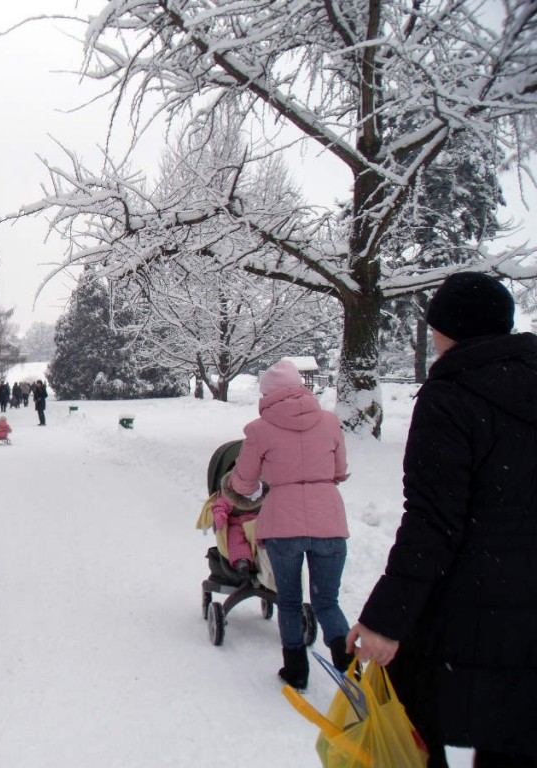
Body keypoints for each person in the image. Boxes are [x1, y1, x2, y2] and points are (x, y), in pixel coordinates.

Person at [348, 272, 537, 768]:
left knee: (412, 731)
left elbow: (433, 522)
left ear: (449, 329)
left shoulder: (451, 396)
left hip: (466, 611)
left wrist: (386, 620)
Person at [225, 359, 352, 690]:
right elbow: (340, 470)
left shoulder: (259, 429)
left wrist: (240, 488)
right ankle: (348, 665)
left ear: (267, 394)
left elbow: (243, 484)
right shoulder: (329, 422)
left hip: (283, 524)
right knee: (327, 601)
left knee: (291, 600)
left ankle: (296, 670)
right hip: (329, 521)